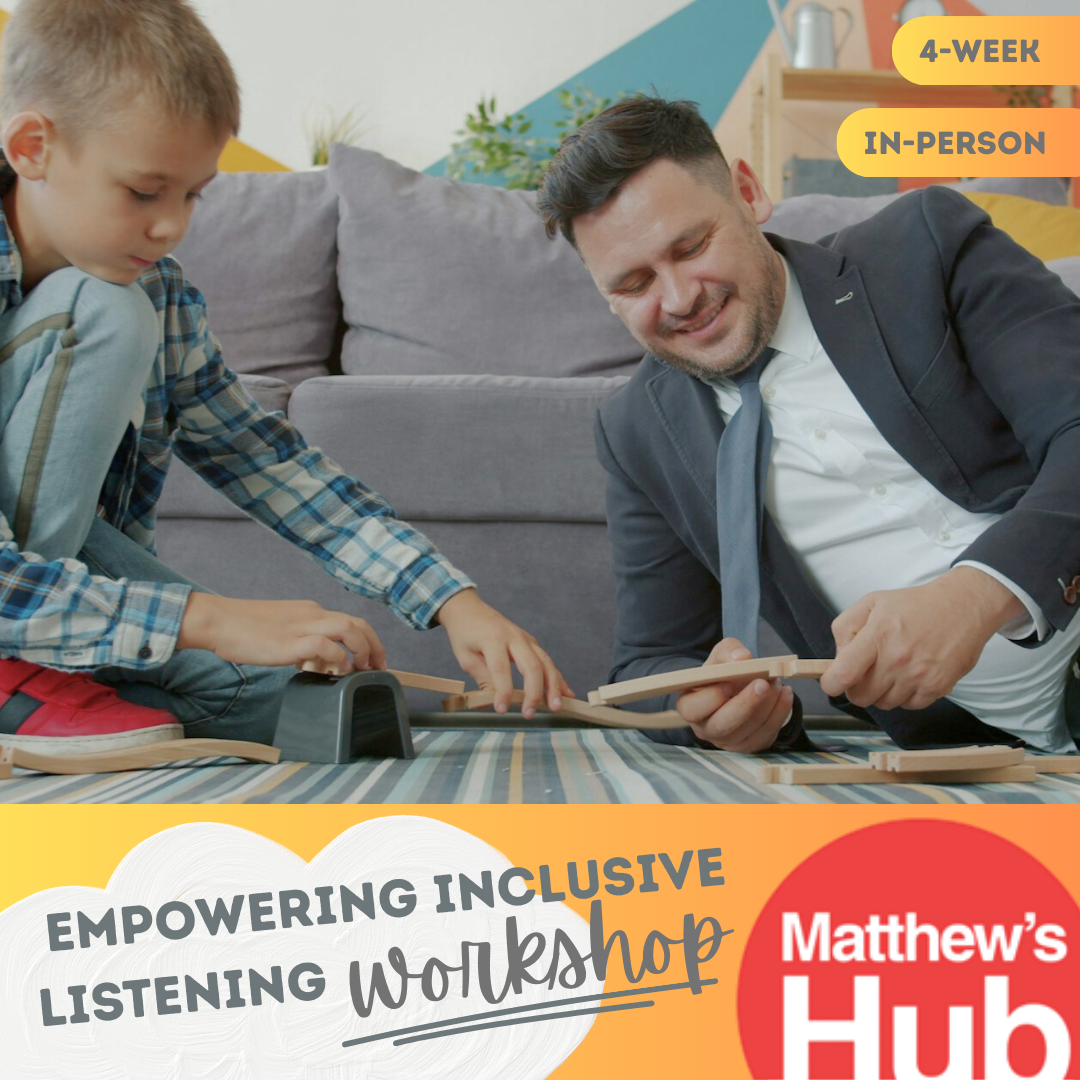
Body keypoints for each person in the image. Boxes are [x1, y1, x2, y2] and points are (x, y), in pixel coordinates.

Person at [0, 0, 570, 755]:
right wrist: (211, 619)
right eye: (143, 192)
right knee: (104, 311)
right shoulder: (119, 300)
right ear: (32, 147)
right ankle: (18, 672)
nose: (172, 227)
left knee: (295, 706)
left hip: (69, 597)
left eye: (193, 193)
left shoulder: (159, 290)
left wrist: (452, 601)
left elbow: (263, 460)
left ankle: (59, 677)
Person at [535, 96, 1080, 754]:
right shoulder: (637, 431)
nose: (679, 300)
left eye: (692, 246)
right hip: (988, 752)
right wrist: (713, 711)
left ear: (748, 193)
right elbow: (648, 663)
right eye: (632, 284)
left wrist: (976, 594)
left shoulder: (925, 245)